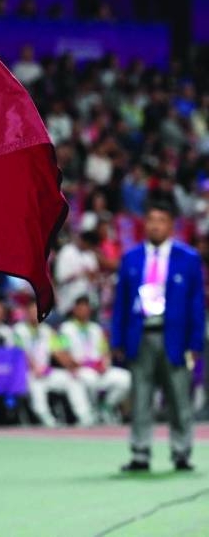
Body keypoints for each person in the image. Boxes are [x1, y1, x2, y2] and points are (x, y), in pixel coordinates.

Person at [112, 198, 205, 472]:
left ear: (171, 226)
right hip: (141, 335)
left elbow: (196, 304)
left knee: (179, 398)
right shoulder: (131, 258)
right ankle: (140, 453)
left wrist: (195, 342)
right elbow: (120, 303)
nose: (155, 226)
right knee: (140, 397)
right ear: (145, 224)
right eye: (151, 220)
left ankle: (181, 452)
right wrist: (117, 340)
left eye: (161, 220)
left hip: (175, 337)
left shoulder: (187, 259)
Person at [12, 298, 94, 427]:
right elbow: (20, 353)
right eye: (32, 310)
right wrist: (34, 367)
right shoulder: (18, 330)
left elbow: (58, 352)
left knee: (72, 379)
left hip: (45, 372)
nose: (35, 313)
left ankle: (84, 416)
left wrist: (71, 367)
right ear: (26, 312)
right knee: (36, 384)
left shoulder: (48, 331)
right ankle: (46, 418)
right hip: (26, 373)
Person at [59, 296, 130, 423]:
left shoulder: (96, 328)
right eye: (80, 308)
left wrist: (105, 363)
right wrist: (73, 364)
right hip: (80, 368)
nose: (83, 311)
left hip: (99, 370)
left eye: (86, 308)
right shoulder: (66, 328)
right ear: (74, 310)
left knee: (126, 379)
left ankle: (107, 405)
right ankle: (91, 412)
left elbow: (105, 351)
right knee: (88, 379)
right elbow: (62, 352)